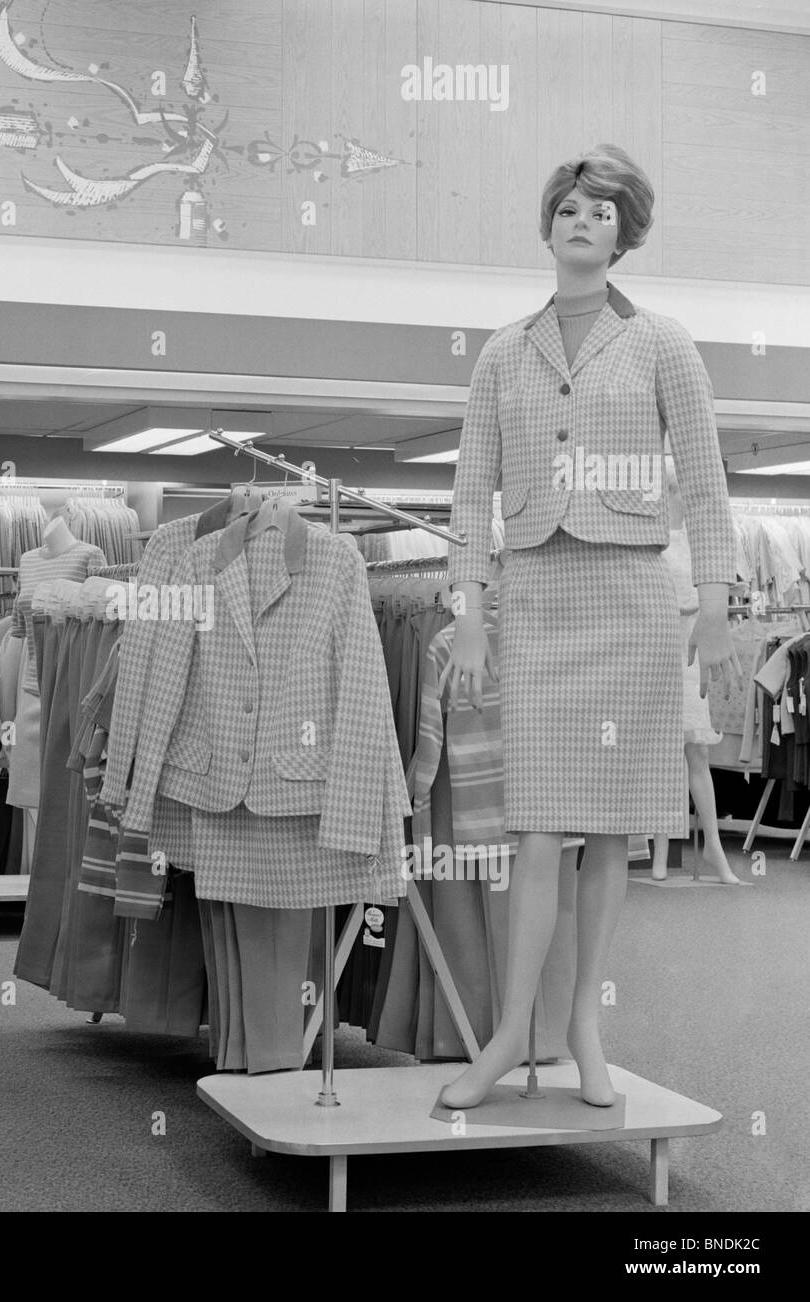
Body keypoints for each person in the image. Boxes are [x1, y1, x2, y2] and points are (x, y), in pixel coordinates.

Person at [440, 144, 742, 1109]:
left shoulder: (663, 344)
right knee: (534, 827)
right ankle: (506, 1040)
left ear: (626, 233)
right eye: (570, 207)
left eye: (603, 212)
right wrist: (470, 612)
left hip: (631, 603)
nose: (583, 221)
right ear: (549, 223)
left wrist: (721, 603)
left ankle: (584, 1026)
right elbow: (469, 491)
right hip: (535, 597)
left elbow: (703, 477)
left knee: (609, 828)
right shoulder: (501, 352)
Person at [651, 458, 746, 884]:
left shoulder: (700, 540)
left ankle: (712, 847)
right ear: (674, 490)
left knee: (697, 749)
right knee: (661, 753)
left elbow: (709, 597)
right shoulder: (652, 540)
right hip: (659, 650)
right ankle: (661, 849)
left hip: (692, 655)